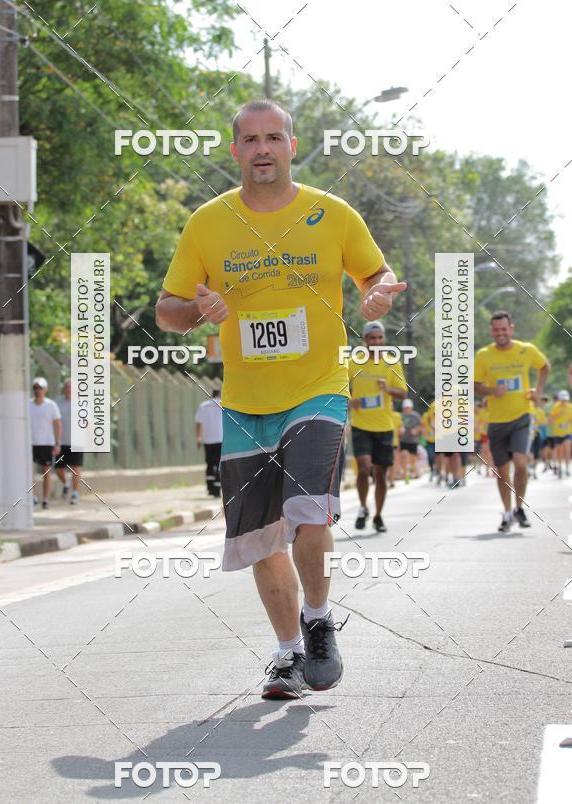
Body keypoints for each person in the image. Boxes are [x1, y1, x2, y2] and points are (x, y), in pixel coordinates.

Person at [156, 99, 406, 699]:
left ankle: (318, 619)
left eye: (274, 137)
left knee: (308, 512)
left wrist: (377, 298)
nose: (262, 148)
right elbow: (167, 312)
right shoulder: (208, 223)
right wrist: (198, 311)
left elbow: (377, 277)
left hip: (318, 389)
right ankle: (288, 654)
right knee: (261, 537)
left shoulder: (332, 214)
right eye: (250, 139)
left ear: (292, 146)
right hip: (243, 402)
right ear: (235, 149)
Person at [474, 310, 549, 532]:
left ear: (511, 329)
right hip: (497, 421)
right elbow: (474, 385)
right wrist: (491, 390)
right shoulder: (484, 355)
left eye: (504, 329)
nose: (500, 333)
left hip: (522, 416)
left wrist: (539, 390)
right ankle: (506, 513)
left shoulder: (526, 350)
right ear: (491, 331)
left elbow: (544, 367)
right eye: (496, 330)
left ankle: (519, 508)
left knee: (521, 464)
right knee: (502, 471)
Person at [348, 320, 407, 532]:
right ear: (365, 340)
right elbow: (339, 386)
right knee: (364, 468)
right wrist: (348, 400)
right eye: (372, 338)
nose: (377, 341)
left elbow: (403, 393)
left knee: (381, 474)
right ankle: (363, 507)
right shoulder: (354, 362)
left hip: (384, 425)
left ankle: (378, 515)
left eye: (380, 337)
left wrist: (388, 388)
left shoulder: (392, 362)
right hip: (360, 424)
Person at [29, 377, 61, 510]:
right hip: (31, 443)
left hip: (47, 443)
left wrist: (57, 443)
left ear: (45, 390)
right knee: (30, 472)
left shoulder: (51, 405)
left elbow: (58, 424)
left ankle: (46, 499)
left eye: (40, 388)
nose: (37, 391)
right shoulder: (28, 404)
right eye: (35, 388)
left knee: (46, 472)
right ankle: (34, 497)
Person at [54, 379, 83, 505]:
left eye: (71, 387)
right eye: (67, 387)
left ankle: (75, 494)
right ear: (64, 389)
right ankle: (66, 483)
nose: (69, 389)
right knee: (59, 468)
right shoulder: (57, 402)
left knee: (76, 468)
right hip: (61, 441)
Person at [195, 388, 223, 497]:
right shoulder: (223, 405)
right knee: (218, 464)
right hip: (220, 439)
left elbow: (198, 422)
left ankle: (210, 488)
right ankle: (217, 488)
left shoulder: (203, 406)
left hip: (207, 440)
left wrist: (198, 437)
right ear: (220, 394)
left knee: (209, 463)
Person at [549, 390, 572, 478]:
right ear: (559, 399)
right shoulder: (555, 407)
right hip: (557, 433)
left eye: (565, 400)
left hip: (568, 432)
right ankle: (559, 468)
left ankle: (567, 468)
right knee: (559, 452)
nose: (564, 402)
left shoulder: (570, 407)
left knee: (567, 449)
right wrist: (558, 415)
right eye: (562, 400)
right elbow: (550, 420)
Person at [399, 399, 422, 480]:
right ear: (403, 408)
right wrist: (400, 430)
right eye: (406, 407)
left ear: (411, 407)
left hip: (413, 440)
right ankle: (405, 473)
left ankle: (413, 471)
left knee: (413, 457)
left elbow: (421, 426)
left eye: (408, 407)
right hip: (403, 439)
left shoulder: (416, 416)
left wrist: (416, 430)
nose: (407, 409)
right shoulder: (400, 416)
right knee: (404, 455)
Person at [421, 400, 436, 481]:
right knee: (430, 456)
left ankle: (439, 471)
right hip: (429, 440)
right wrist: (424, 433)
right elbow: (423, 426)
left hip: (439, 440)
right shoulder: (426, 416)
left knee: (439, 457)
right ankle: (432, 470)